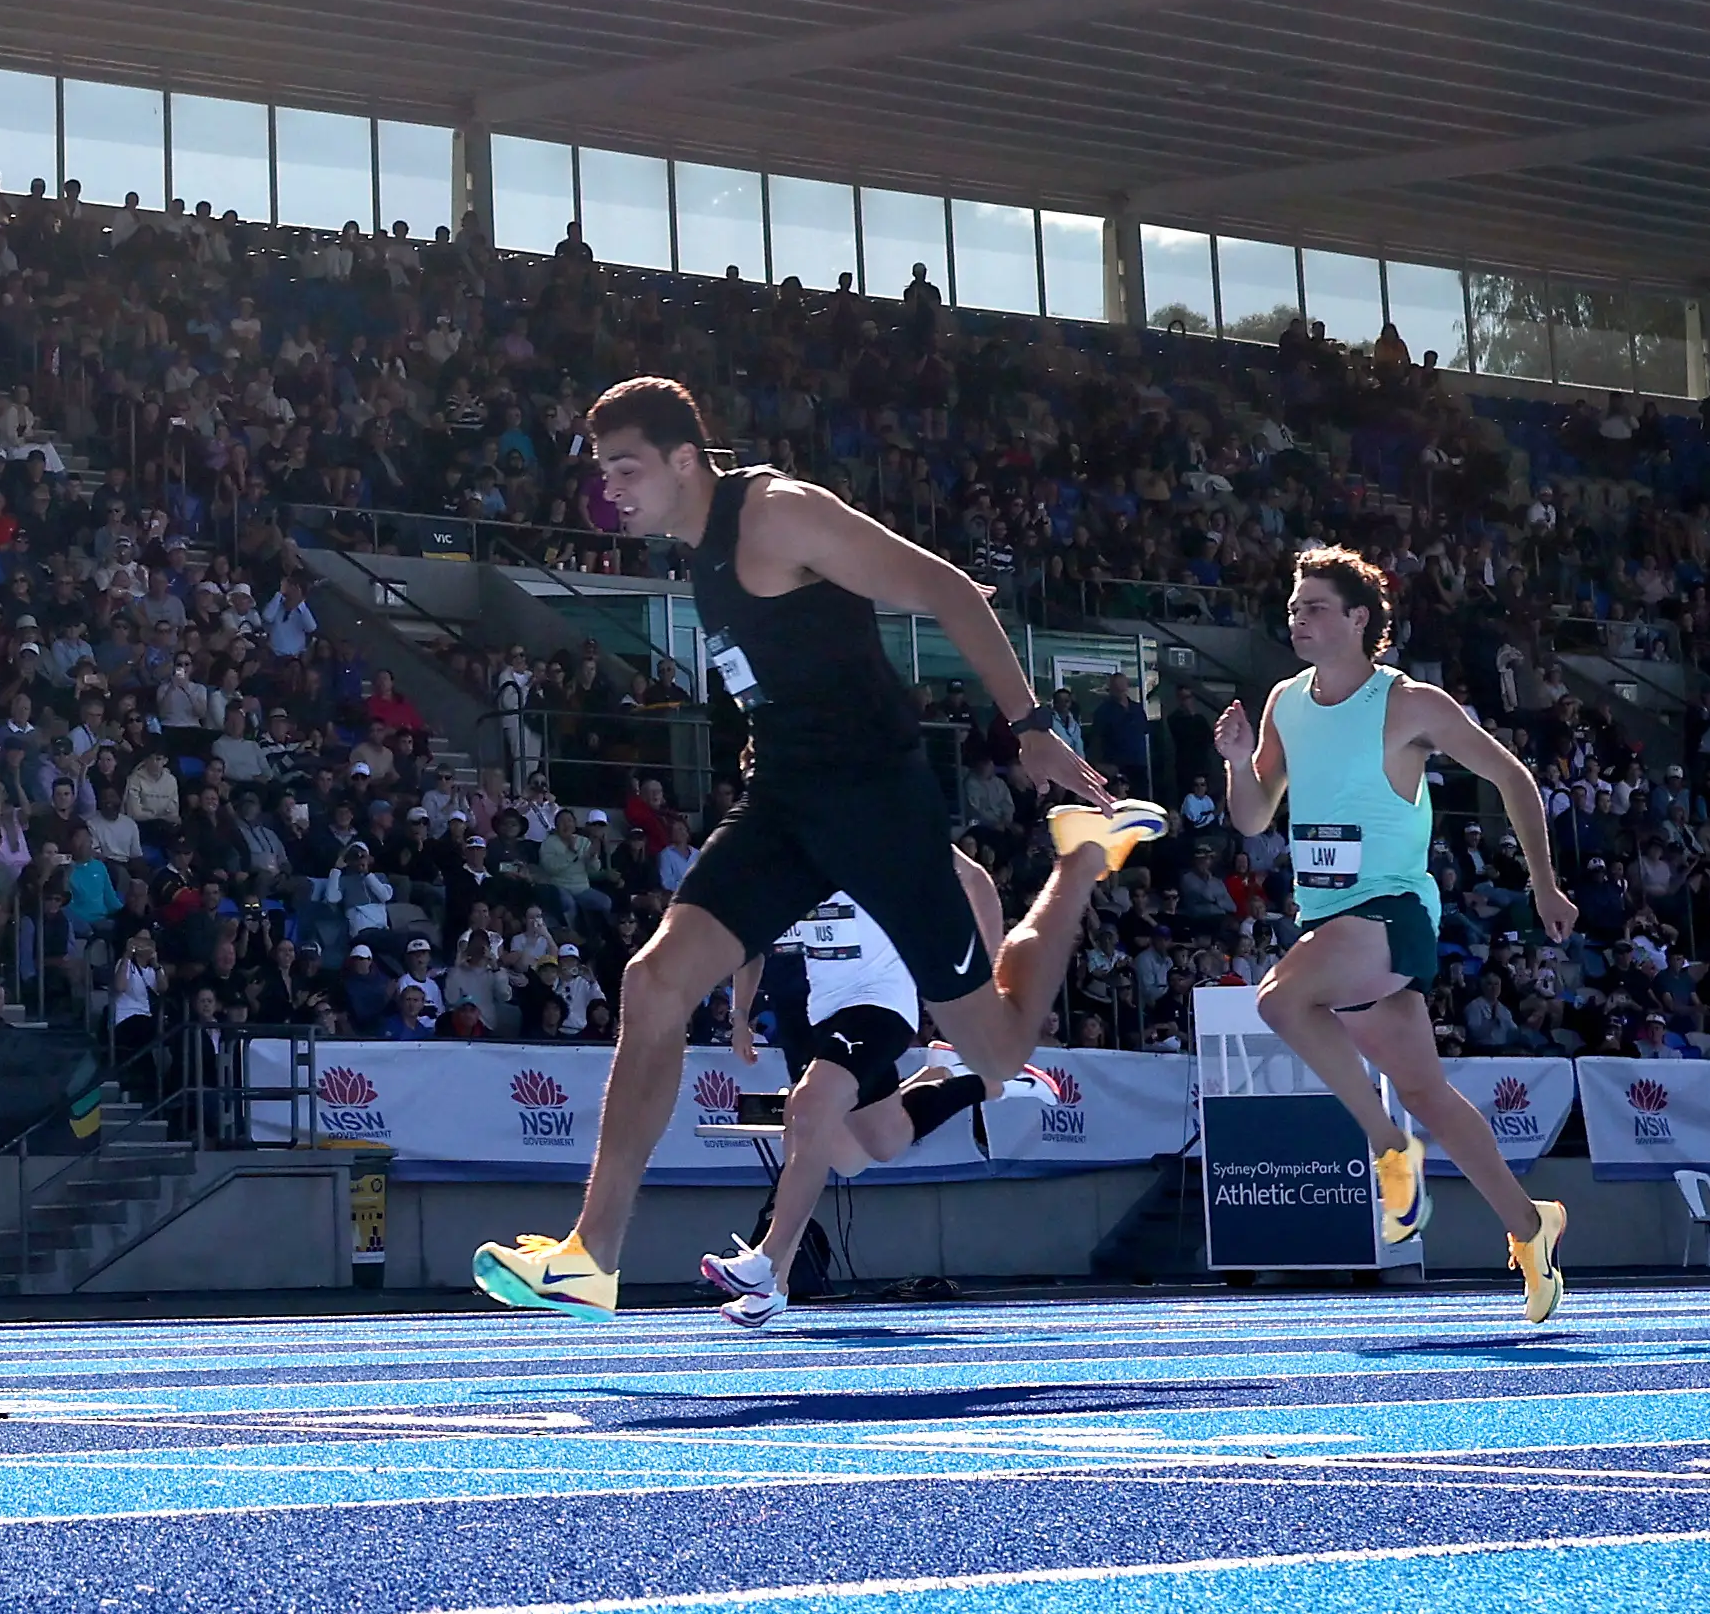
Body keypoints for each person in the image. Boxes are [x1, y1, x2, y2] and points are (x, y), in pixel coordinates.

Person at [477, 378, 1160, 1322]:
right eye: (601, 472)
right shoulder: (700, 552)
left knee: (998, 1051)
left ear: (685, 459)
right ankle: (591, 1253)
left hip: (876, 804)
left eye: (625, 468)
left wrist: (1031, 726)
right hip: (784, 802)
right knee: (654, 981)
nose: (608, 491)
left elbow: (947, 589)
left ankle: (1080, 858)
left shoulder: (778, 513)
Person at [1216, 544, 1571, 1324]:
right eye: (1292, 607)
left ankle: (1386, 1149)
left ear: (1357, 619)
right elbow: (1251, 818)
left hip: (1392, 910)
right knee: (1426, 1091)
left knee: (1278, 1001)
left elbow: (1512, 776)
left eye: (1313, 607)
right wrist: (1240, 763)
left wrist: (1541, 881)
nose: (1296, 618)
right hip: (1325, 916)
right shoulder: (1284, 700)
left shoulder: (1410, 703)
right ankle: (1528, 1224)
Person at [697, 875, 1016, 1329]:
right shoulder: (781, 862)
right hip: (817, 1022)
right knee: (869, 1148)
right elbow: (751, 944)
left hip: (879, 1008)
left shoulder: (879, 832)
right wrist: (742, 1016)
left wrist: (986, 992)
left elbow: (979, 883)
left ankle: (768, 1268)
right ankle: (969, 1081)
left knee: (806, 1114)